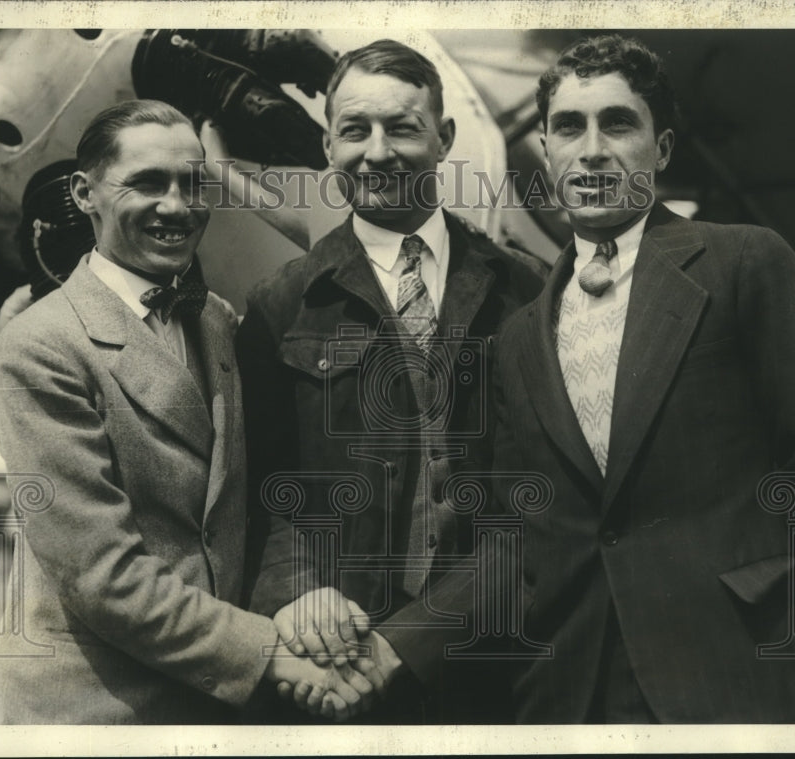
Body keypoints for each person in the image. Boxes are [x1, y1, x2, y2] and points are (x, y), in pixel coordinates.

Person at [488, 34, 795, 723]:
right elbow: (522, 523)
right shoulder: (518, 336)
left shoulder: (745, 263)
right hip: (565, 695)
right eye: (569, 126)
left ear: (661, 150)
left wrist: (756, 613)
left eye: (619, 122)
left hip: (723, 680)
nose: (593, 148)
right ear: (545, 150)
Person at [0, 99, 373, 724]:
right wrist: (276, 655)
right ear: (85, 193)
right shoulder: (38, 348)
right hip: (81, 717)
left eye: (192, 183)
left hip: (207, 708)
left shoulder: (216, 319)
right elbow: (102, 576)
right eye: (149, 183)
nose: (179, 207)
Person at [238, 39, 547, 722]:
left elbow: (543, 504)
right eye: (354, 130)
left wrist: (410, 641)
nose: (376, 152)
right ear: (327, 146)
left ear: (445, 138)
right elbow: (261, 490)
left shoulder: (525, 292)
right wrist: (297, 592)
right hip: (331, 669)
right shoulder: (280, 305)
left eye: (402, 127)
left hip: (491, 668)